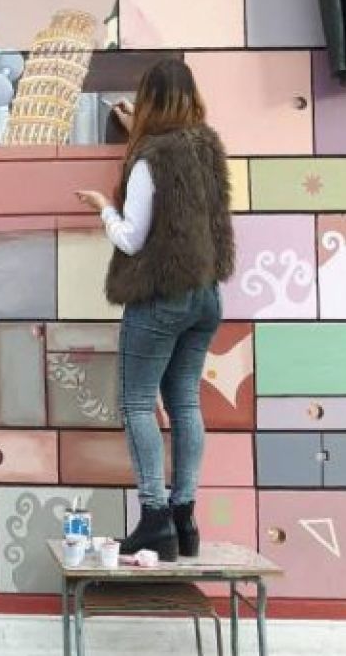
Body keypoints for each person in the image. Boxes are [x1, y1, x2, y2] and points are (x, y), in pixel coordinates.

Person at [74, 59, 235, 561]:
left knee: (138, 403)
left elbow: (132, 237)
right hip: (206, 296)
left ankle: (154, 518)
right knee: (184, 401)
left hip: (161, 295)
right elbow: (182, 203)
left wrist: (103, 207)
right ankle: (184, 518)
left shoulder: (149, 159)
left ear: (149, 101)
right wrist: (136, 137)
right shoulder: (206, 149)